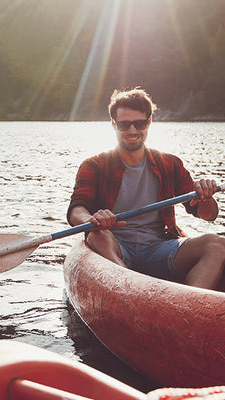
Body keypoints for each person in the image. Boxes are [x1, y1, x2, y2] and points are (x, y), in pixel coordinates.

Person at [67, 88, 225, 290]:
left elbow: (207, 215)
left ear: (149, 122)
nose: (132, 131)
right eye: (124, 125)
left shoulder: (170, 163)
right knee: (97, 235)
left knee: (217, 244)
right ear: (113, 124)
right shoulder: (95, 165)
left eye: (139, 123)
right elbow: (76, 210)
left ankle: (191, 305)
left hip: (159, 247)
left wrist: (206, 197)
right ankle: (126, 288)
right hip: (114, 247)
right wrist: (91, 219)